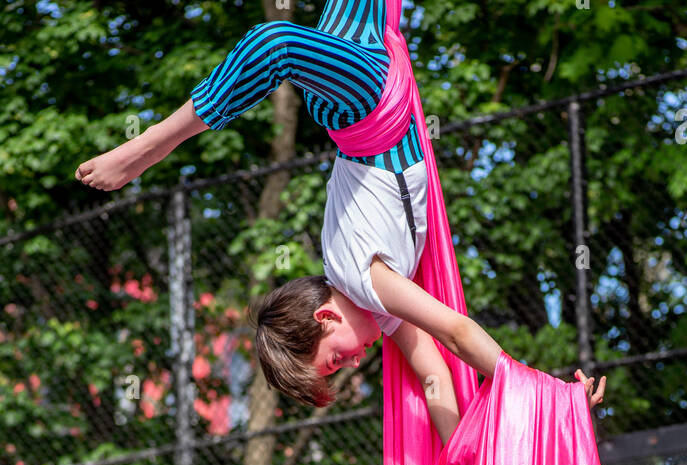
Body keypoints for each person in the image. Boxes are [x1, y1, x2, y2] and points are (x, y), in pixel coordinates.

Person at [73, 0, 604, 426]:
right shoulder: (377, 303)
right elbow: (436, 376)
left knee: (275, 45)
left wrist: (547, 394)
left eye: (335, 359)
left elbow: (459, 334)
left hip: (371, 108)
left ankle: (147, 147)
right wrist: (456, 464)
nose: (354, 363)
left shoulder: (367, 281)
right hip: (359, 91)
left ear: (325, 318)